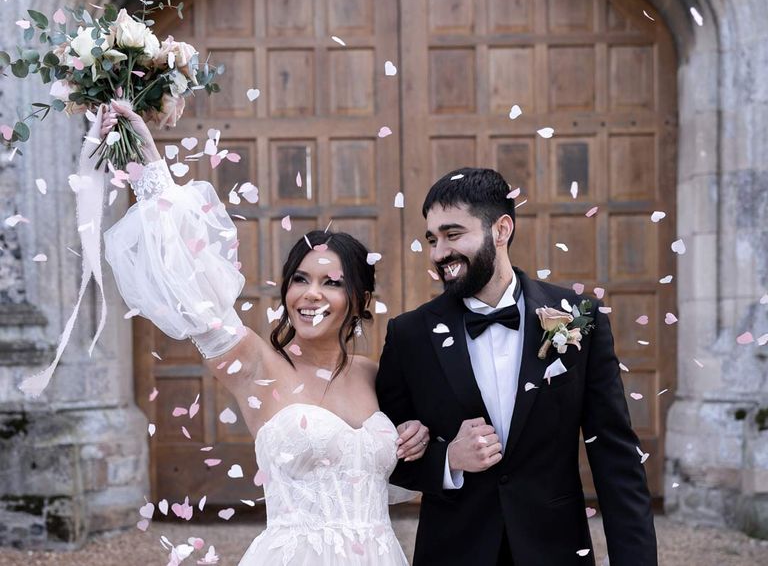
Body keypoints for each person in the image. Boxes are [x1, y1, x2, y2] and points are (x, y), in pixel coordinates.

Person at [100, 101, 429, 565]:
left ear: (358, 302)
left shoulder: (376, 375)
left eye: (331, 283)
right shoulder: (256, 365)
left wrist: (417, 436)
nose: (311, 294)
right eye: (301, 279)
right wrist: (146, 160)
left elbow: (398, 470)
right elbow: (189, 283)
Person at [376, 167, 658, 566]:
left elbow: (615, 456)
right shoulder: (409, 335)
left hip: (555, 551)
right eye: (433, 239)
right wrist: (448, 461)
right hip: (453, 552)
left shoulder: (579, 318)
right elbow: (389, 457)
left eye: (453, 235)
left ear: (501, 229)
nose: (439, 253)